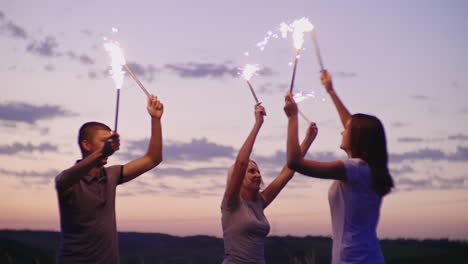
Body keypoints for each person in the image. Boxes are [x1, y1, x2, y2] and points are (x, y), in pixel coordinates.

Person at [284, 70, 394, 264]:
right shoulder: (364, 169)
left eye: (347, 130)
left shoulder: (355, 169)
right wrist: (331, 91)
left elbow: (294, 162)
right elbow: (352, 124)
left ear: (357, 139)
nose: (342, 130)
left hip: (355, 259)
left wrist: (292, 117)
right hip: (364, 257)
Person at [55, 95, 164, 264]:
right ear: (86, 145)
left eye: (110, 141)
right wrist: (102, 152)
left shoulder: (111, 175)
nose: (109, 145)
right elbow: (64, 178)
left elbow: (152, 158)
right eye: (103, 142)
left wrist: (155, 119)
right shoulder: (69, 180)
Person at [222, 102, 316, 264]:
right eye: (252, 171)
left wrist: (308, 139)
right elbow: (241, 163)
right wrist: (258, 124)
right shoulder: (231, 203)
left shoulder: (260, 201)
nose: (258, 174)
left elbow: (287, 172)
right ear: (237, 178)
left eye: (258, 171)